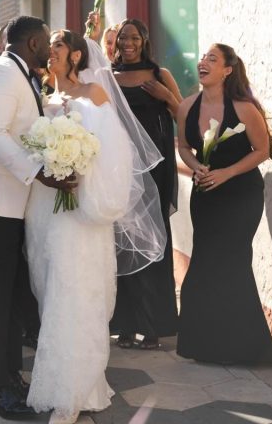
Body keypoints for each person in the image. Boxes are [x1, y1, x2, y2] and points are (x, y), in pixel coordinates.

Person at [25, 30, 166, 424]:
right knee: (51, 291)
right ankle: (65, 381)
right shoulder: (43, 99)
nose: (49, 51)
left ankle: (70, 395)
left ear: (73, 55)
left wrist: (81, 176)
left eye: (56, 45)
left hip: (82, 214)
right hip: (46, 210)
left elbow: (117, 153)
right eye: (48, 45)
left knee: (76, 294)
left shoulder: (94, 94)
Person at [0, 16, 73, 419]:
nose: (49, 50)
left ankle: (9, 375)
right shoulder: (3, 74)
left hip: (7, 204)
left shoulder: (19, 73)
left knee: (7, 298)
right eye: (46, 43)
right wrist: (38, 171)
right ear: (35, 42)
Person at [176, 43, 272, 364]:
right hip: (205, 193)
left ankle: (245, 348)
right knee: (206, 262)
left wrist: (227, 173)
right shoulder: (187, 106)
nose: (204, 62)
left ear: (227, 70)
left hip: (241, 194)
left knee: (233, 263)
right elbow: (183, 147)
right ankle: (206, 345)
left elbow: (261, 151)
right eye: (203, 58)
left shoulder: (244, 108)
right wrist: (198, 167)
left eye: (213, 59)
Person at [109, 18, 181, 348]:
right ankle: (124, 326)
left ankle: (153, 329)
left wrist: (166, 95)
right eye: (123, 37)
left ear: (144, 41)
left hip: (156, 171)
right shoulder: (108, 78)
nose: (128, 42)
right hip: (121, 170)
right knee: (123, 242)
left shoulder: (159, 74)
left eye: (134, 37)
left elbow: (182, 115)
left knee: (154, 242)